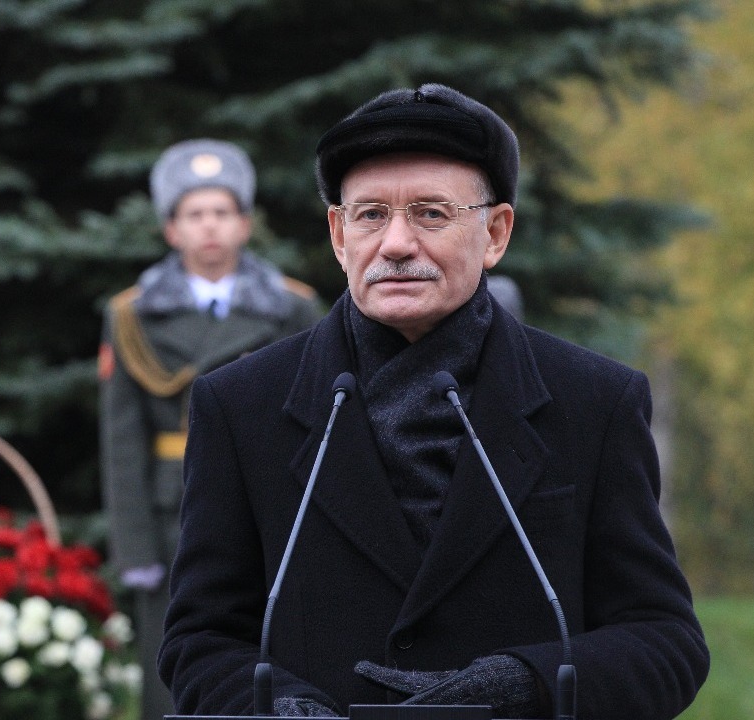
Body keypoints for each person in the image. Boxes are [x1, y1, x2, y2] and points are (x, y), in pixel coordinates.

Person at [159, 85, 709, 720]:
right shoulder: (240, 405)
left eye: (430, 214)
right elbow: (199, 642)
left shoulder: (594, 401)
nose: (395, 243)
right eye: (371, 215)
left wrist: (527, 684)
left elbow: (665, 640)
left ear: (495, 233)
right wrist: (284, 709)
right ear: (338, 235)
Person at [100, 138, 324, 720]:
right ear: (171, 229)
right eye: (194, 213)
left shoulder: (292, 309)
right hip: (171, 509)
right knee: (173, 666)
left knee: (269, 655)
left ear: (245, 225)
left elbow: (315, 420)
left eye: (222, 212)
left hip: (267, 498)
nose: (210, 226)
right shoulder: (132, 315)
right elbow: (122, 440)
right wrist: (134, 548)